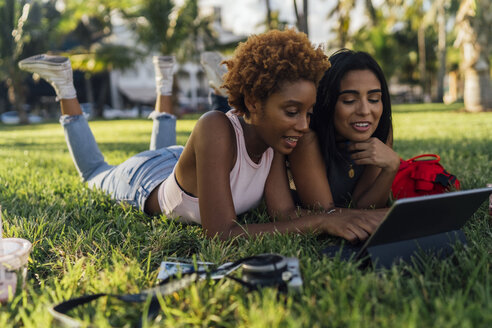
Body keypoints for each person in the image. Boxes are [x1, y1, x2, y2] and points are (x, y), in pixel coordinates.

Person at [19, 30, 383, 241]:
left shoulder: (274, 144)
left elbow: (285, 216)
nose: (304, 126)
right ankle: (66, 88)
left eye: (307, 112)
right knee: (94, 172)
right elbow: (221, 234)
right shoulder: (215, 127)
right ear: (253, 103)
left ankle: (165, 79)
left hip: (178, 163)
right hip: (143, 181)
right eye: (292, 112)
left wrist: (350, 217)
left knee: (165, 152)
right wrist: (322, 220)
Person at [289, 49, 400, 210]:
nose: (364, 110)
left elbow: (364, 206)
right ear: (327, 102)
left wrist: (391, 167)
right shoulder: (307, 140)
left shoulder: (381, 132)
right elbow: (327, 214)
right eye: (349, 100)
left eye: (373, 99)